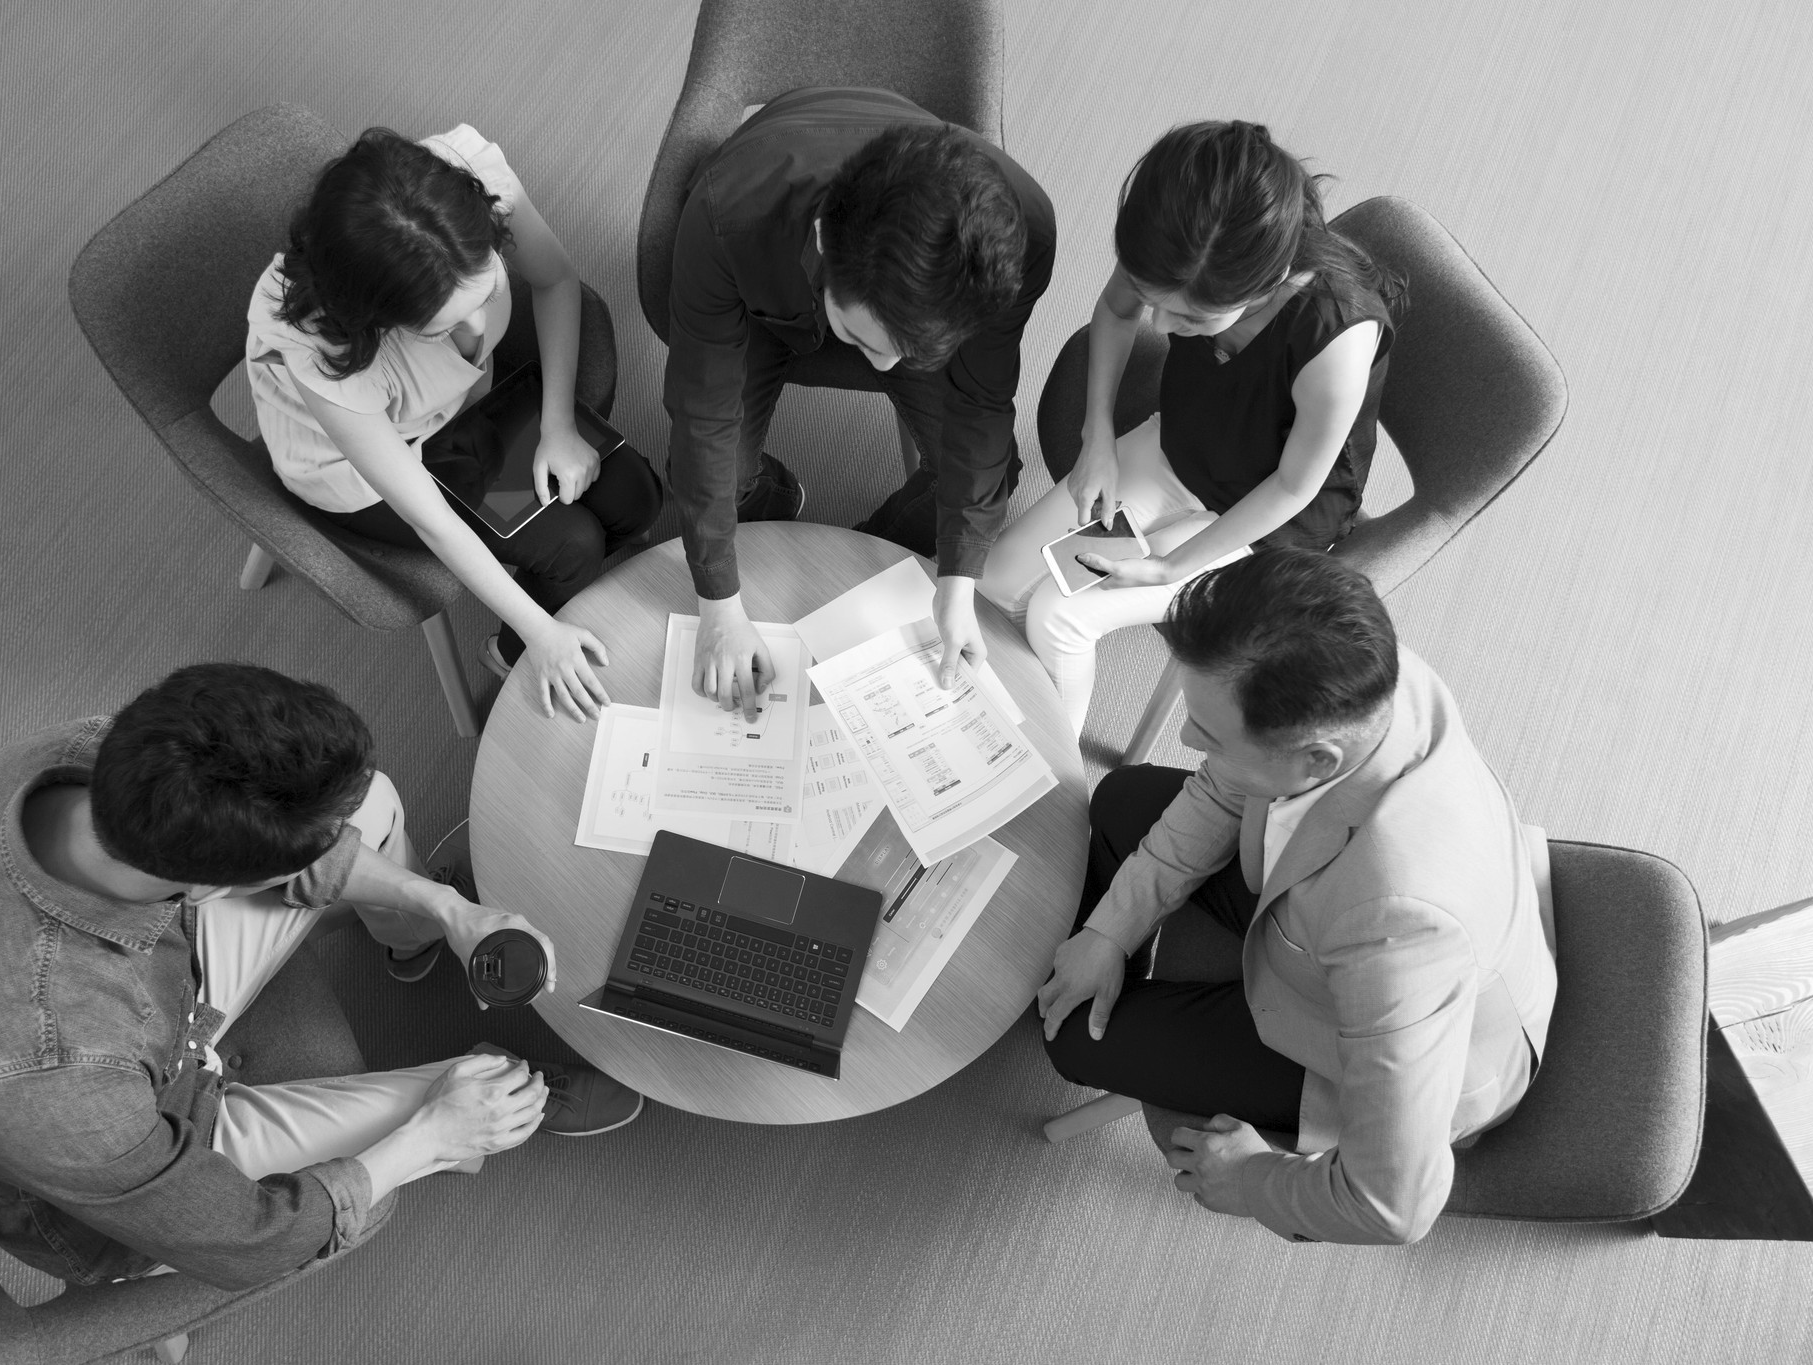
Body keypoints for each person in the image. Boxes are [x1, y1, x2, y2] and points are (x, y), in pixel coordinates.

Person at [0, 663, 643, 1294]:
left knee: (371, 806)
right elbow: (248, 1236)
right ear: (207, 886)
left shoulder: (106, 755)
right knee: (465, 1105)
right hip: (123, 1146)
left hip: (148, 1001)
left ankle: (416, 939)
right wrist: (428, 1141)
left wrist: (445, 907)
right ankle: (493, 1092)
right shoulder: (55, 1082)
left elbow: (308, 844)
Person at [1036, 550, 1556, 1244]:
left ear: (1316, 761)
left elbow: (1394, 1204)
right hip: (1321, 901)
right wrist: (1108, 931)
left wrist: (1251, 1179)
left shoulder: (1400, 924)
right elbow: (1229, 783)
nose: (1188, 739)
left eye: (1210, 734)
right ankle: (1099, 966)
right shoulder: (1355, 672)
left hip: (1392, 1032)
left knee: (1073, 1041)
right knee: (1124, 795)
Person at [980, 121, 1401, 736]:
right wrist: (1097, 437)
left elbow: (1293, 488)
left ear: (1268, 284)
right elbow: (1116, 310)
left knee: (1057, 615)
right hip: (1181, 445)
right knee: (998, 579)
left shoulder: (1336, 339)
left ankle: (1053, 768)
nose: (1161, 322)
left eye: (1190, 316)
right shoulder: (1174, 243)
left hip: (1267, 516)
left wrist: (1170, 568)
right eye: (1158, 298)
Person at [246, 124, 662, 721]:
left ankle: (557, 605)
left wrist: (558, 426)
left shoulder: (466, 184)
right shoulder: (324, 351)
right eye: (443, 326)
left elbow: (555, 279)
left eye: (487, 286)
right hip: (365, 465)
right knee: (573, 546)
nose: (474, 326)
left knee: (635, 497)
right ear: (380, 321)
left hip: (463, 401)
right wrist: (539, 633)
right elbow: (431, 519)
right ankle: (512, 652)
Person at [662, 87, 1056, 716]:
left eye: (906, 355)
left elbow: (982, 402)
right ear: (821, 241)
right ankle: (769, 495)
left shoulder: (1024, 232)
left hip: (893, 304)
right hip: (760, 293)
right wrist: (718, 607)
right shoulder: (725, 214)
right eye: (862, 341)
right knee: (719, 476)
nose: (883, 372)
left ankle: (857, 559)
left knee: (994, 473)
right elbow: (702, 410)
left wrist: (957, 587)